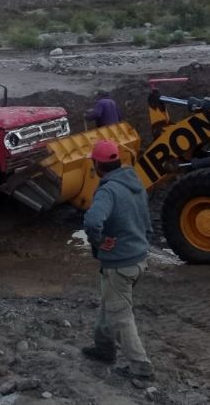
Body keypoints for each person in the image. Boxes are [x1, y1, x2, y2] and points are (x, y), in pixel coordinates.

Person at [81, 139, 154, 380]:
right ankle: (104, 349)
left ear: (97, 165)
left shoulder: (108, 190)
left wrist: (99, 242)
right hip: (138, 259)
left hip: (120, 264)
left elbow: (92, 222)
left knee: (120, 314)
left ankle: (141, 367)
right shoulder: (136, 184)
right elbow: (147, 221)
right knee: (110, 303)